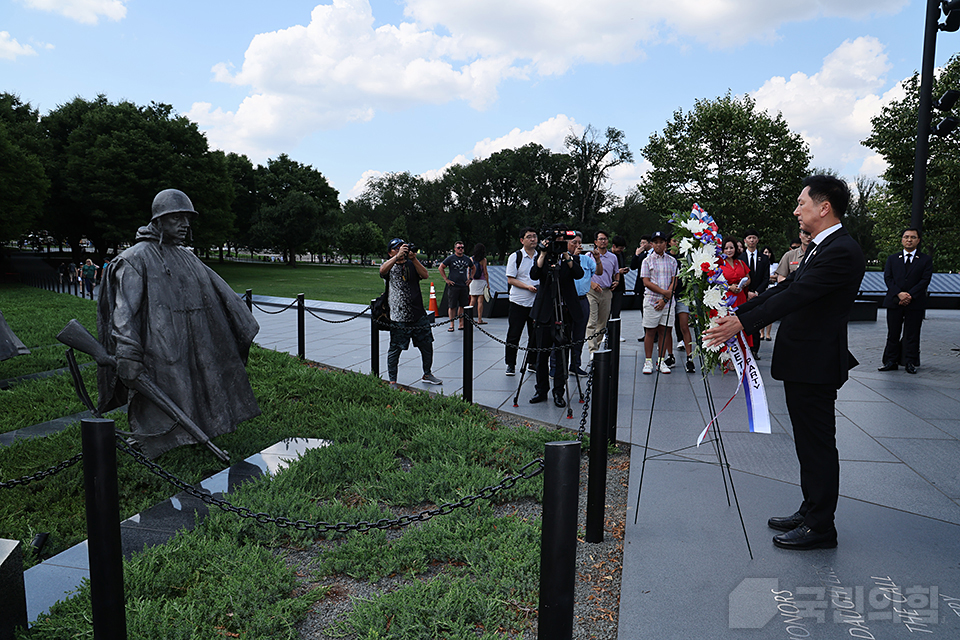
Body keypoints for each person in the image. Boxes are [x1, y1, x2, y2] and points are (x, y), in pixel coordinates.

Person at [705, 175, 866, 551]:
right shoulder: (821, 247)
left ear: (824, 207)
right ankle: (811, 509)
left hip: (816, 362)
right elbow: (787, 289)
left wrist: (740, 323)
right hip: (804, 361)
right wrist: (738, 311)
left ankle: (821, 526)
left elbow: (799, 296)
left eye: (802, 203)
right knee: (808, 444)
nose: (796, 211)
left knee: (817, 445)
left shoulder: (841, 249)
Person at [97, 189, 261, 459]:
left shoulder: (188, 257)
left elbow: (220, 295)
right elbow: (124, 310)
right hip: (159, 345)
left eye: (187, 218)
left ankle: (199, 432)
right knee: (162, 396)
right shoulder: (134, 259)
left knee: (199, 388)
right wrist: (127, 351)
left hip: (195, 340)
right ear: (158, 221)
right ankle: (154, 440)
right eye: (176, 218)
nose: (184, 224)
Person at [529, 229, 584, 407]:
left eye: (563, 241)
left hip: (564, 312)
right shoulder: (542, 256)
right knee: (541, 354)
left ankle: (559, 392)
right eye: (557, 241)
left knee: (562, 355)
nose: (559, 244)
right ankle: (541, 390)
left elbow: (578, 273)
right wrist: (543, 253)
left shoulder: (570, 258)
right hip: (544, 312)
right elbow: (534, 274)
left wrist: (567, 255)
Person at [380, 238, 443, 387]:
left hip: (418, 314)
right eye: (396, 248)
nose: (401, 250)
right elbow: (382, 270)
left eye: (403, 248)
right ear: (390, 252)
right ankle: (393, 380)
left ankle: (427, 373)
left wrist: (413, 259)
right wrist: (397, 257)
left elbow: (425, 275)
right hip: (398, 315)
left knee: (427, 345)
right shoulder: (389, 267)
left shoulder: (411, 264)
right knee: (395, 348)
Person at [879, 228, 933, 374]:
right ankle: (891, 361)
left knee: (912, 333)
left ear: (918, 240)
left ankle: (910, 362)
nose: (909, 240)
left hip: (915, 302)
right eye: (906, 237)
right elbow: (888, 279)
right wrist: (899, 294)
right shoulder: (892, 259)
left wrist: (909, 296)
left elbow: (925, 280)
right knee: (893, 333)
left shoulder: (925, 260)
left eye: (913, 237)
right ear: (902, 240)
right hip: (894, 301)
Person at [639, 231, 678, 375]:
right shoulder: (647, 260)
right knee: (650, 331)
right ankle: (648, 361)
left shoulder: (672, 261)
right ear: (651, 244)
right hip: (651, 300)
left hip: (667, 302)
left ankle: (661, 361)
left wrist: (666, 298)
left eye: (661, 242)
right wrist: (664, 293)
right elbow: (646, 281)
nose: (658, 245)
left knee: (665, 331)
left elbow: (674, 280)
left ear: (666, 243)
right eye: (655, 242)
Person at [504, 227, 539, 376]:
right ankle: (510, 364)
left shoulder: (540, 256)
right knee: (514, 334)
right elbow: (511, 279)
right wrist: (527, 287)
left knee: (535, 335)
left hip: (536, 302)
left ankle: (533, 362)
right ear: (522, 240)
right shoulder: (515, 256)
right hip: (518, 301)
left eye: (535, 236)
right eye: (529, 237)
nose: (533, 239)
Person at [741, 229, 770, 359]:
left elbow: (766, 278)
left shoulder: (764, 258)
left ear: (757, 240)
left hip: (758, 295)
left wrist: (757, 292)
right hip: (743, 295)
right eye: (749, 238)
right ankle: (744, 348)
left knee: (757, 322)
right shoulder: (740, 258)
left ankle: (754, 350)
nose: (752, 240)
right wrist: (747, 292)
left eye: (754, 237)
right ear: (745, 241)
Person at [586, 230, 615, 354]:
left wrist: (617, 281)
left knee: (602, 323)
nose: (603, 241)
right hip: (591, 291)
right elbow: (583, 274)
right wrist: (591, 283)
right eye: (600, 239)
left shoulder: (613, 257)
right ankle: (592, 350)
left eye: (605, 239)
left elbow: (616, 272)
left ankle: (597, 347)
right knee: (592, 321)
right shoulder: (588, 256)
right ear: (595, 242)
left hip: (606, 291)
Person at [439, 241, 474, 332]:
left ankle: (461, 323)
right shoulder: (451, 258)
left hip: (463, 285)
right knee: (452, 306)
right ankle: (451, 324)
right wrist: (446, 279)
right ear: (455, 249)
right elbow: (441, 267)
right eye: (458, 248)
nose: (460, 249)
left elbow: (473, 267)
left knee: (462, 305)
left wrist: (470, 278)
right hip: (453, 285)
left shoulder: (467, 259)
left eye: (462, 247)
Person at [609, 235, 630, 324]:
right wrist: (618, 272)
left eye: (622, 248)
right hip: (610, 286)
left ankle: (615, 332)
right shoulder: (608, 255)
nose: (621, 250)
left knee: (617, 311)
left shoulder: (621, 254)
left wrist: (624, 270)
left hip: (620, 286)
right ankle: (605, 332)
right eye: (619, 248)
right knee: (607, 311)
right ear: (613, 246)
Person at [467, 243, 490, 324]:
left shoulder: (471, 259)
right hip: (481, 281)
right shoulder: (483, 260)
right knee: (480, 301)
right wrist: (488, 283)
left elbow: (469, 271)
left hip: (473, 281)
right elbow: (485, 272)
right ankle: (480, 319)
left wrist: (469, 280)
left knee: (472, 300)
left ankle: (470, 318)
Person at [760, 246, 777, 341]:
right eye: (765, 252)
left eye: (768, 252)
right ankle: (761, 333)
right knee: (762, 311)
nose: (767, 254)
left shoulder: (775, 265)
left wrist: (770, 277)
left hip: (772, 288)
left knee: (770, 312)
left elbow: (777, 276)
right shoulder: (760, 263)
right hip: (764, 289)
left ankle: (768, 334)